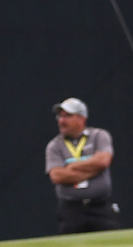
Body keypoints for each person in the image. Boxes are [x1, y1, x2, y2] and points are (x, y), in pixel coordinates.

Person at [41, 98, 116, 232]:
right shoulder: (54, 146)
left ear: (82, 118)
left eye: (68, 116)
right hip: (71, 211)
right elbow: (57, 176)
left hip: (100, 207)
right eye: (60, 116)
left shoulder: (99, 136)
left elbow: (103, 161)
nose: (62, 121)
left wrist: (72, 167)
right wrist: (93, 170)